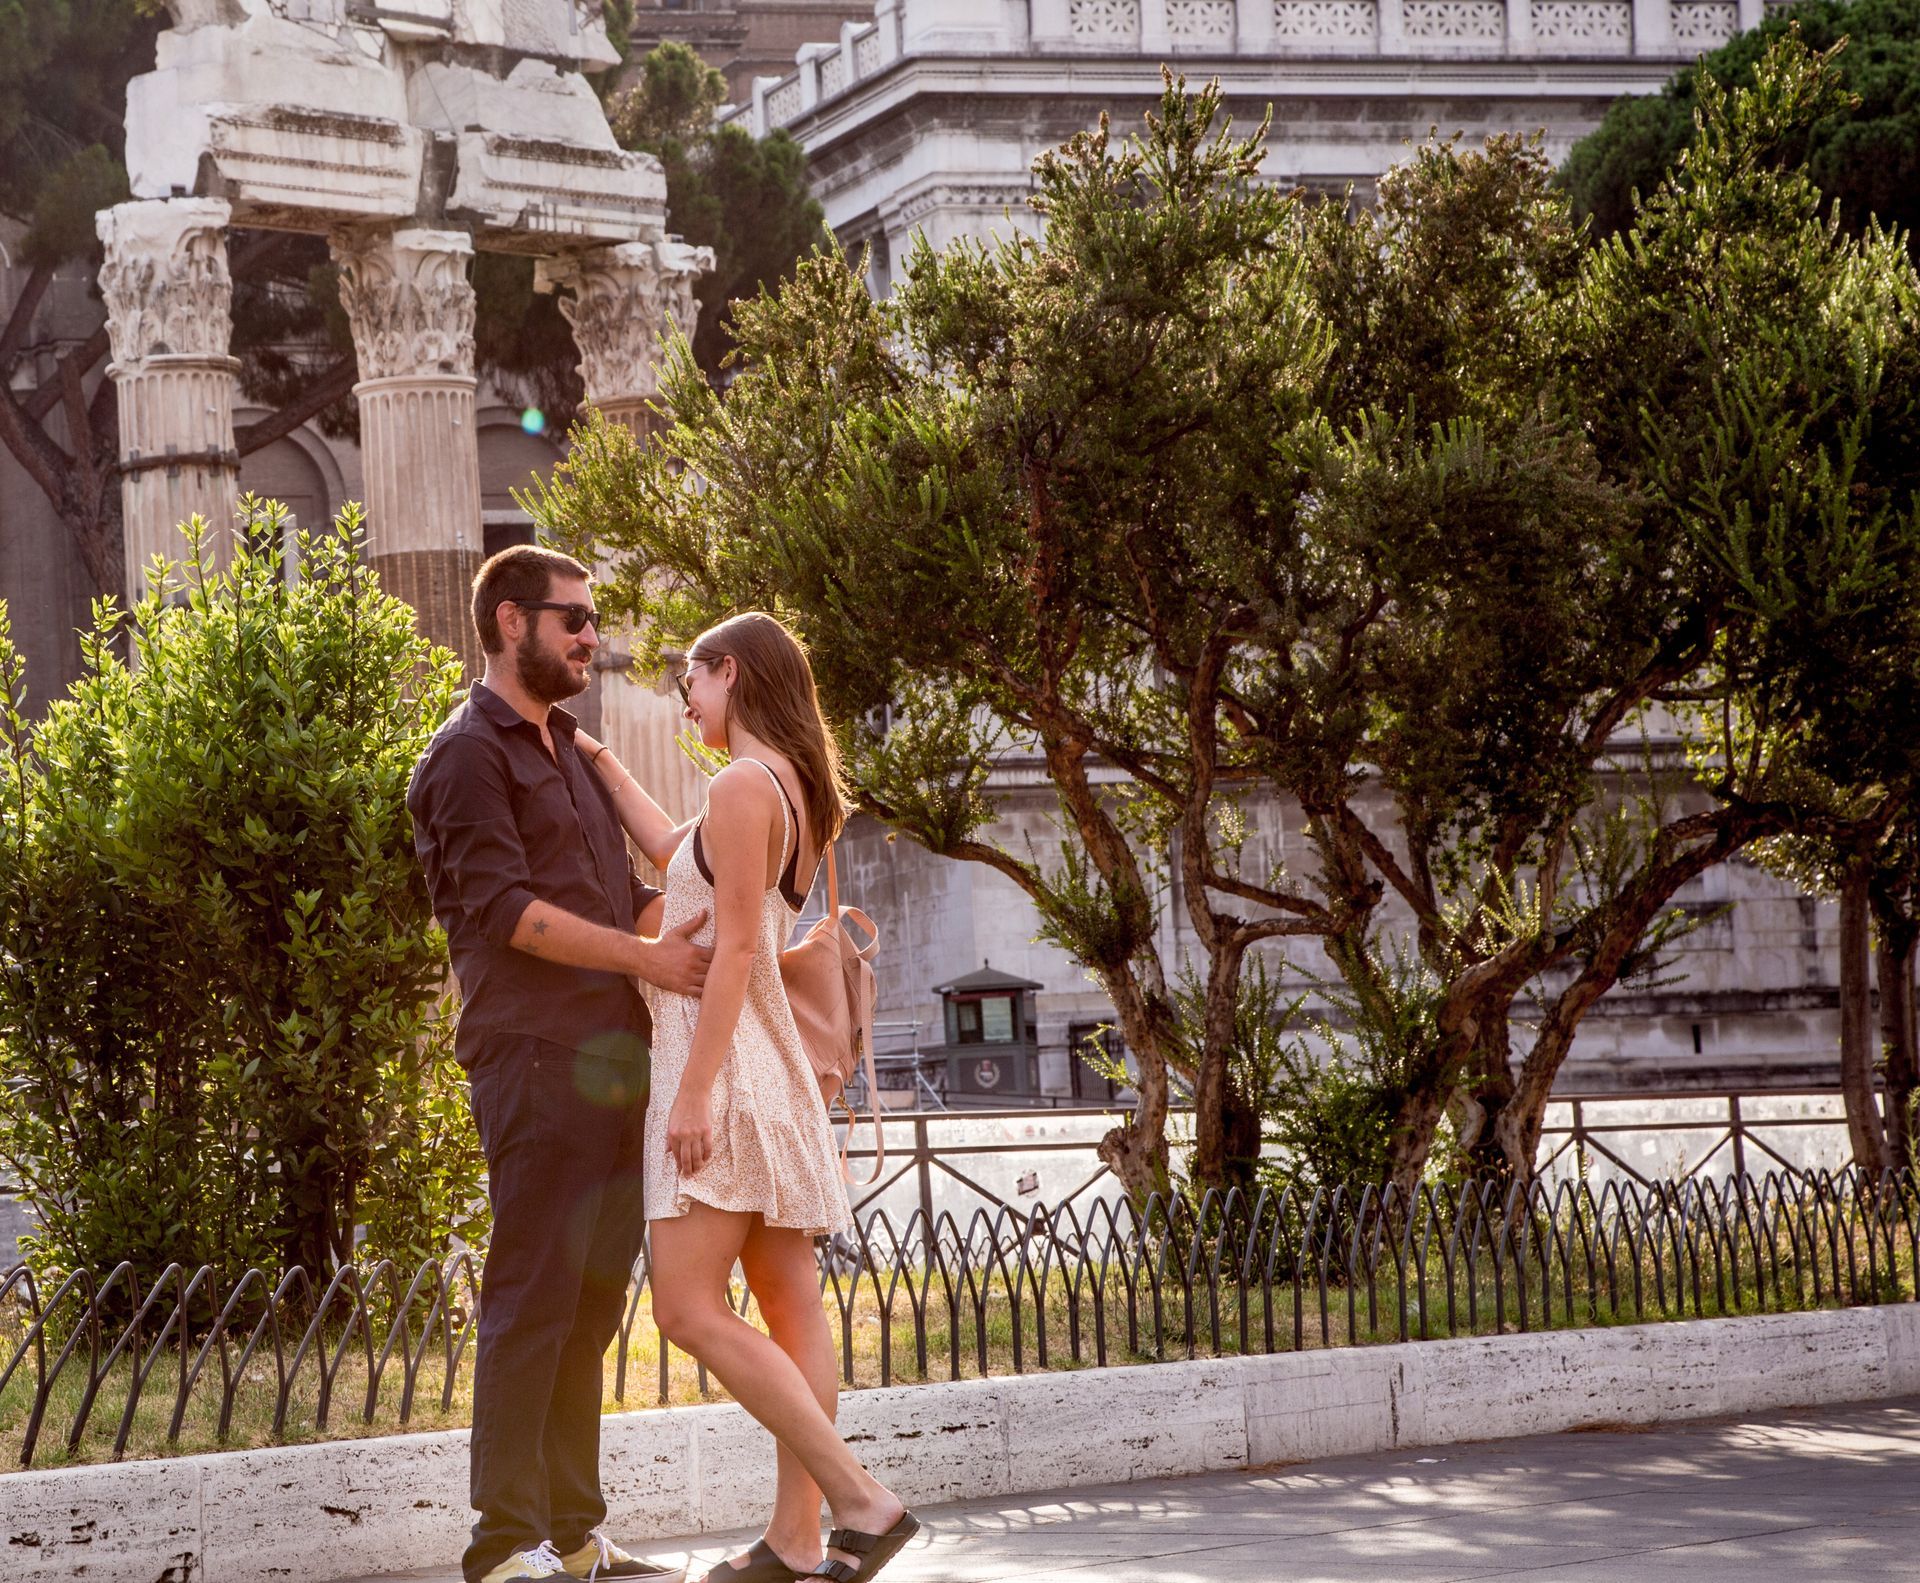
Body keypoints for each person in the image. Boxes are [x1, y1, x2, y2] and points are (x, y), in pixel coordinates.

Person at [576, 612, 918, 1583]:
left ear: (731, 673)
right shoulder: (791, 790)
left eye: (693, 679)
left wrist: (689, 1093)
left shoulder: (739, 784)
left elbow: (729, 949)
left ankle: (861, 1499)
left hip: (719, 1070)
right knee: (788, 1301)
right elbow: (669, 843)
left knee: (685, 1307)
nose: (686, 700)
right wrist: (595, 752)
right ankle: (797, 1542)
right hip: (769, 1073)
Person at [409, 545, 713, 1583]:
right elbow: (507, 915)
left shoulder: (569, 748)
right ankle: (501, 1544)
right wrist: (650, 954)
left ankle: (574, 1535)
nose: (592, 635)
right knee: (531, 1292)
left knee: (591, 1301)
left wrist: (742, 920)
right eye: (571, 618)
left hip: (616, 1060)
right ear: (508, 622)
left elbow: (621, 890)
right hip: (532, 1056)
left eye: (592, 619)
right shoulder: (465, 753)